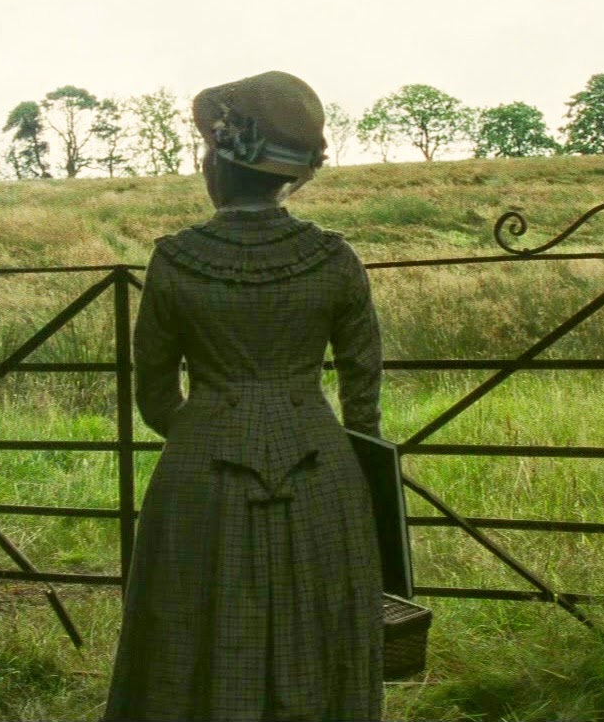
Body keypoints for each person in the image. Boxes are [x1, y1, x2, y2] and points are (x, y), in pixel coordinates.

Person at [103, 71, 384, 722]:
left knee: (188, 622)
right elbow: (363, 395)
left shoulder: (175, 260)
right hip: (320, 468)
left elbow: (154, 393)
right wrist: (349, 457)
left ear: (218, 164)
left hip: (200, 471)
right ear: (288, 178)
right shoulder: (335, 259)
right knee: (318, 620)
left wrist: (204, 428)